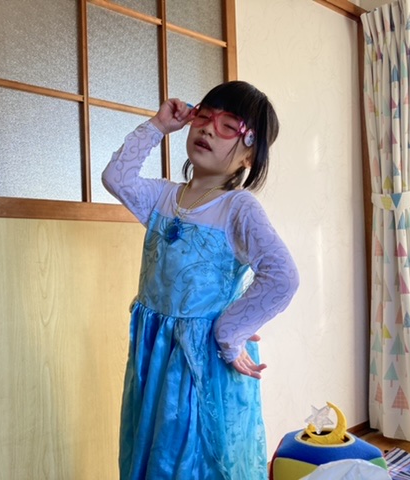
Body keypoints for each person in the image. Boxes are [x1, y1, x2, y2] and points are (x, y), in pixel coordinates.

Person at [102, 80, 299, 480]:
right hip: (155, 353)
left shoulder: (238, 208)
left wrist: (231, 330)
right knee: (151, 446)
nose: (208, 128)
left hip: (200, 360)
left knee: (194, 457)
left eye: (228, 126)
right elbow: (116, 177)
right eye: (204, 116)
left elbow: (282, 276)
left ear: (249, 154)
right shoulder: (163, 197)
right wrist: (158, 126)